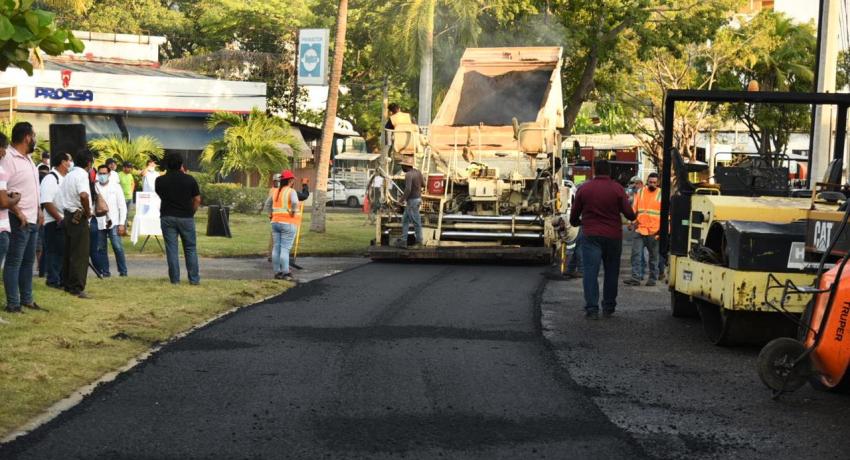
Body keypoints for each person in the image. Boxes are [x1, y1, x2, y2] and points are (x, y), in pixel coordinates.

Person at [569, 160, 636, 320]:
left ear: (594, 170)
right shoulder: (617, 188)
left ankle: (592, 308)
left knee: (590, 273)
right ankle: (609, 306)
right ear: (610, 171)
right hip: (613, 236)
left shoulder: (584, 188)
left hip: (591, 235)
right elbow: (630, 214)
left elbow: (574, 216)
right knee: (611, 273)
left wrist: (580, 222)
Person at [2, 122, 44, 313]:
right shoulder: (8, 157)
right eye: (33, 135)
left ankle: (27, 299)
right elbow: (4, 190)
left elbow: (33, 188)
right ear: (27, 136)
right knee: (14, 262)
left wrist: (39, 210)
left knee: (28, 262)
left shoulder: (29, 159)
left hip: (33, 217)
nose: (34, 139)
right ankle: (13, 303)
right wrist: (18, 212)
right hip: (18, 219)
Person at [155, 154, 201, 285]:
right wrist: (191, 212)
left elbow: (161, 195)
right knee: (190, 248)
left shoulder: (160, 181)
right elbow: (197, 199)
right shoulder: (190, 179)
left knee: (172, 249)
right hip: (186, 216)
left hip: (167, 216)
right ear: (181, 165)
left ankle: (175, 280)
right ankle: (194, 279)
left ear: (167, 165)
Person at [57, 149, 94, 298]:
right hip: (78, 216)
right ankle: (77, 287)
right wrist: (88, 211)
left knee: (69, 251)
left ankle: (67, 283)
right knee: (80, 253)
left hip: (68, 215)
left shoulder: (69, 175)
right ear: (89, 163)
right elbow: (84, 195)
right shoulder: (82, 175)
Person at [40, 152, 72, 289]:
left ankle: (61, 279)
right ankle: (53, 280)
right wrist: (60, 219)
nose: (70, 164)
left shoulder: (65, 178)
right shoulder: (51, 178)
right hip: (54, 222)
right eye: (69, 161)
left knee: (64, 252)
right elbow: (47, 202)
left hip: (65, 220)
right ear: (62, 162)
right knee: (54, 252)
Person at [625, 172, 662, 287]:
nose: (652, 184)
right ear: (647, 181)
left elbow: (667, 215)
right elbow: (634, 209)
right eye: (650, 182)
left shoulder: (661, 194)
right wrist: (631, 222)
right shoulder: (640, 192)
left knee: (653, 257)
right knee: (635, 254)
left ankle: (652, 279)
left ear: (658, 183)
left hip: (654, 231)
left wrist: (663, 231)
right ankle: (635, 277)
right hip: (640, 229)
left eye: (654, 182)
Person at [94, 164, 128, 277]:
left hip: (114, 221)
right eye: (100, 173)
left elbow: (122, 206)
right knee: (101, 248)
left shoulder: (116, 187)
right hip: (99, 222)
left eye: (104, 173)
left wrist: (122, 223)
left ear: (109, 174)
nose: (102, 176)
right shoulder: (94, 187)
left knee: (117, 246)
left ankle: (123, 271)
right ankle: (105, 271)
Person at [269, 170, 301, 281]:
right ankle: (286, 273)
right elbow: (295, 203)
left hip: (275, 223)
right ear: (290, 180)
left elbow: (268, 204)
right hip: (288, 223)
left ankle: (277, 272)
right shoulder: (291, 191)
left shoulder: (275, 191)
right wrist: (293, 211)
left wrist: (270, 215)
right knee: (285, 249)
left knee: (276, 248)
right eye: (292, 180)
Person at [397, 158, 424, 248]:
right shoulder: (418, 172)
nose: (401, 167)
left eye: (402, 165)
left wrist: (401, 200)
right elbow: (424, 184)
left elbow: (408, 189)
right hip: (416, 199)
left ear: (406, 166)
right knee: (405, 220)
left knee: (416, 222)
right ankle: (404, 241)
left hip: (412, 201)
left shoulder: (408, 174)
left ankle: (419, 242)